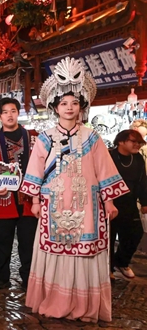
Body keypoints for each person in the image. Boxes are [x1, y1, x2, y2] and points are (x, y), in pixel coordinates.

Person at [22, 56, 127, 322]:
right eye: (64, 103)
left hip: (87, 204)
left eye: (74, 103)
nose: (69, 108)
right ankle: (54, 299)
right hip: (53, 204)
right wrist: (34, 200)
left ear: (82, 107)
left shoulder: (92, 137)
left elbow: (104, 170)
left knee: (86, 250)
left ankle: (83, 305)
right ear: (55, 107)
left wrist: (110, 201)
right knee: (54, 249)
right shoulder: (45, 137)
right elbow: (34, 170)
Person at [0, 97, 38, 289]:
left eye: (13, 110)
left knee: (28, 242)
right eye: (5, 112)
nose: (9, 115)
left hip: (29, 199)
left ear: (18, 113)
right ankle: (1, 277)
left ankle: (29, 278)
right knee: (2, 242)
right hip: (3, 199)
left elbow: (41, 166)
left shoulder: (33, 137)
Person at [109, 129, 147, 279]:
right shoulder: (109, 156)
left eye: (139, 142)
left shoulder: (137, 158)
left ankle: (121, 262)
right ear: (121, 141)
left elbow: (143, 181)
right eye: (134, 141)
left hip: (129, 202)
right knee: (109, 238)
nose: (137, 145)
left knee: (135, 233)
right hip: (109, 202)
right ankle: (108, 268)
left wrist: (144, 202)